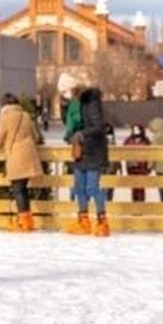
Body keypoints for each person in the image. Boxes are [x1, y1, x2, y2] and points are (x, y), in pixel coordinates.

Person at [0, 94, 43, 232]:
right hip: (29, 155)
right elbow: (36, 136)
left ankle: (22, 221)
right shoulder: (25, 115)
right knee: (23, 188)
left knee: (17, 189)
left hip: (16, 155)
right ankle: (28, 220)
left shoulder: (5, 117)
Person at [66, 88, 110, 236]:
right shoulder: (79, 106)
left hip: (94, 152)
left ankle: (102, 221)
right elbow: (72, 123)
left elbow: (98, 127)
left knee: (92, 188)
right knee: (79, 188)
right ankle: (83, 221)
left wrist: (81, 134)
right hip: (82, 152)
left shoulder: (92, 104)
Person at [123, 124, 152, 203]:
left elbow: (151, 154)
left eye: (138, 129)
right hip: (132, 167)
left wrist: (150, 166)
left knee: (141, 188)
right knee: (134, 188)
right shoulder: (128, 140)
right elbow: (123, 151)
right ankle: (134, 206)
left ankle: (141, 206)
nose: (136, 131)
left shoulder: (146, 141)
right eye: (134, 129)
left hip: (142, 167)